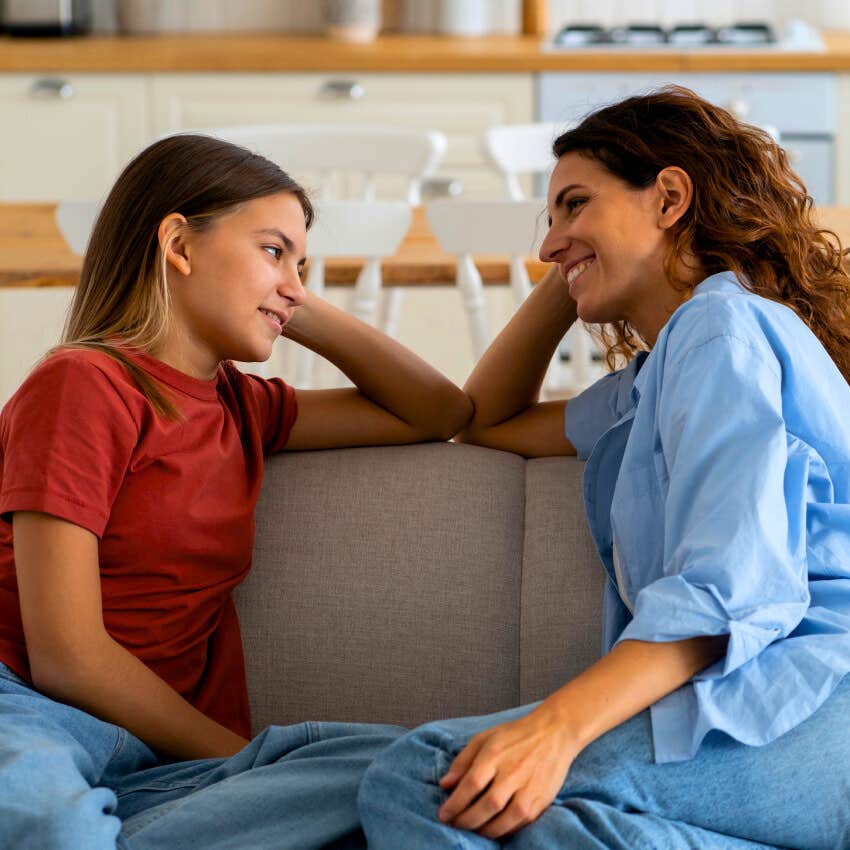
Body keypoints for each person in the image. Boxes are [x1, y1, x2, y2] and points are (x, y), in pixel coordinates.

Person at [357, 86, 850, 849]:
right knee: (538, 819)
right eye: (549, 221)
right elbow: (485, 417)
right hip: (787, 712)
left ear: (670, 197)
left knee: (428, 775)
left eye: (574, 204)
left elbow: (727, 591)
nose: (548, 244)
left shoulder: (722, 331)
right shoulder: (666, 370)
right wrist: (580, 262)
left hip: (814, 701)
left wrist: (554, 730)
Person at [0, 133, 472, 850]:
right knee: (49, 819)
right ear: (179, 245)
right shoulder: (83, 385)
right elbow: (67, 655)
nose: (292, 279)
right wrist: (237, 757)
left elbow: (438, 412)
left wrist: (291, 300)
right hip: (30, 709)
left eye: (301, 263)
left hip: (151, 763)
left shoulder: (243, 408)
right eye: (273, 249)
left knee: (409, 768)